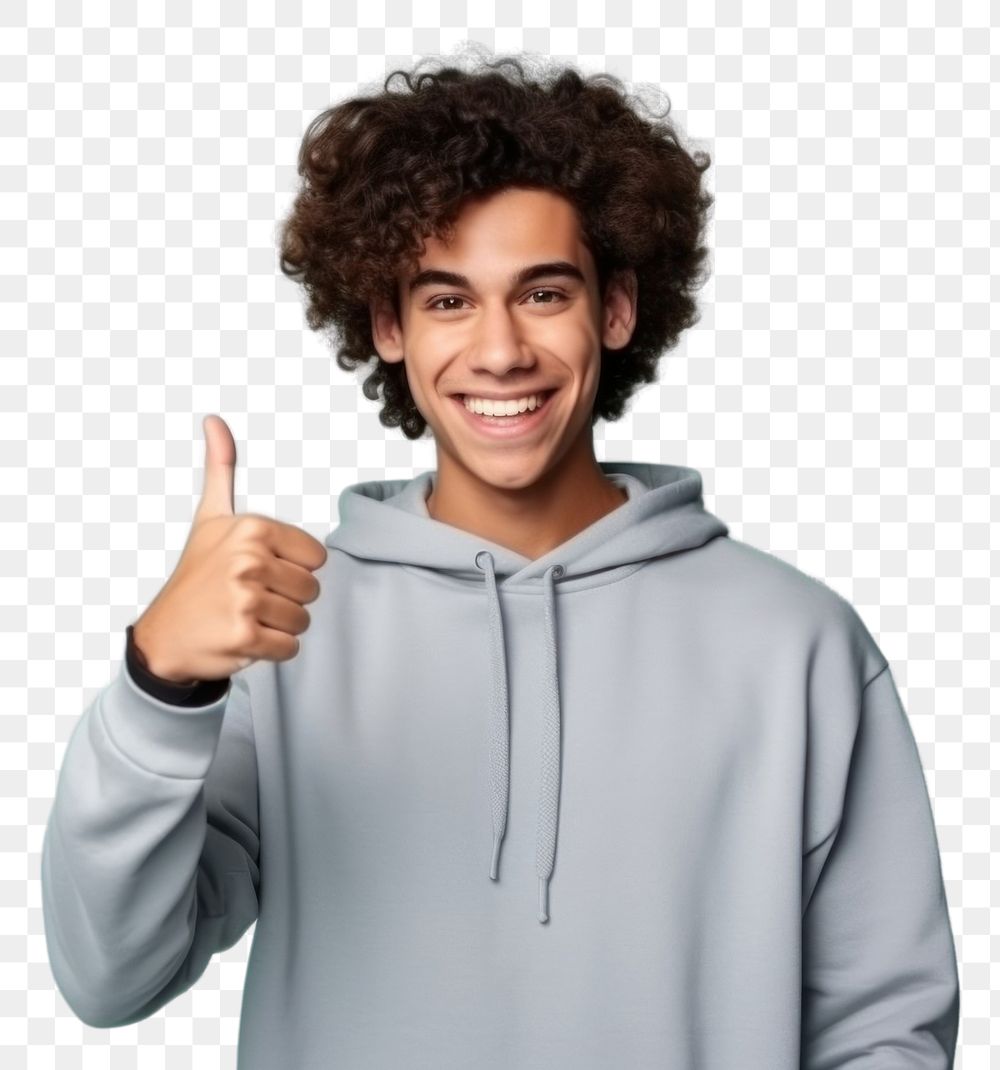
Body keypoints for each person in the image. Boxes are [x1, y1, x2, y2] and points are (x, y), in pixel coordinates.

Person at [41, 50, 960, 1068]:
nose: (498, 350)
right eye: (445, 300)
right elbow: (110, 975)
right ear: (386, 325)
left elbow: (884, 1026)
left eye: (542, 293)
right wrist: (159, 683)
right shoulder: (281, 628)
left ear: (615, 309)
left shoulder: (797, 643)